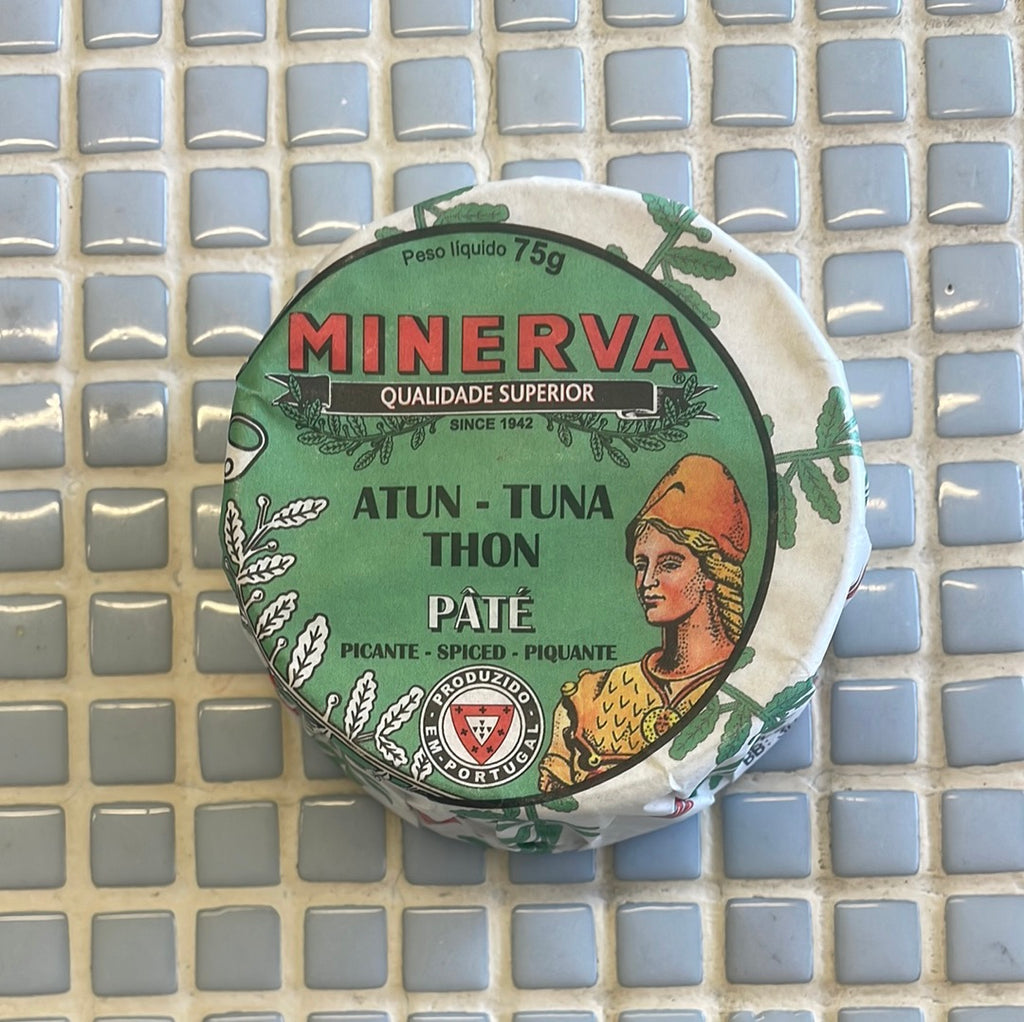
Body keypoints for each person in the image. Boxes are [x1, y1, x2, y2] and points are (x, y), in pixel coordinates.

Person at [538, 453, 751, 793]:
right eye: (641, 564)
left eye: (669, 564)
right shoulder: (588, 698)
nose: (647, 581)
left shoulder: (749, 684)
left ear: (712, 573)